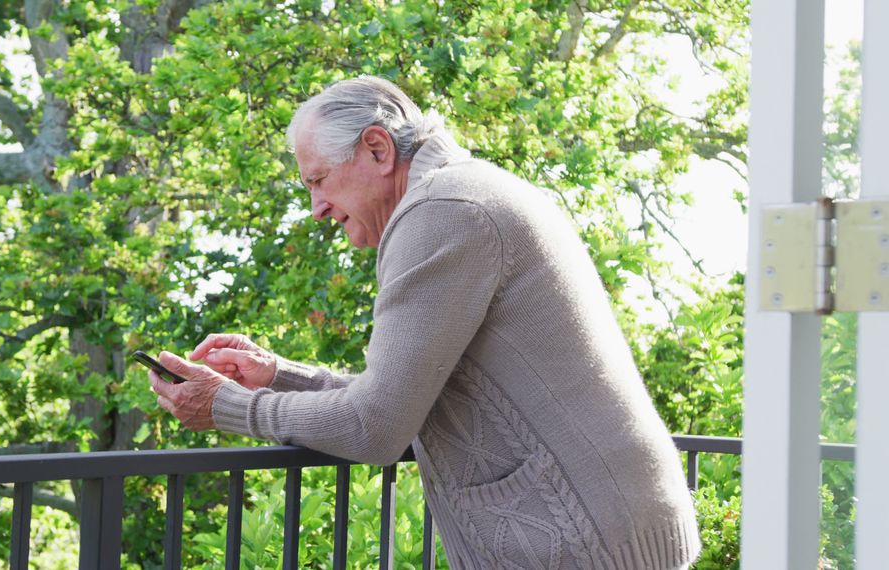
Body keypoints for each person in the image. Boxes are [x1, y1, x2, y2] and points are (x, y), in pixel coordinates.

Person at [147, 76, 699, 569]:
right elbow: (405, 398)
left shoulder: (444, 212)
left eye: (319, 180)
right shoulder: (466, 191)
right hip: (606, 531)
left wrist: (225, 406)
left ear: (377, 149)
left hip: (581, 545)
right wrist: (275, 376)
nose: (315, 207)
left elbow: (376, 426)